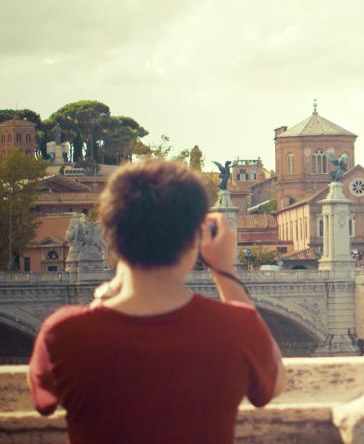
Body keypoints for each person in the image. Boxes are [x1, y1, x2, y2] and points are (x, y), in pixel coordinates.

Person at [28, 159, 287, 443]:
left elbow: (43, 401)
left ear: (109, 235)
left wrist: (101, 301)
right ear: (196, 238)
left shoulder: (63, 332)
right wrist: (224, 271)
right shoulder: (238, 327)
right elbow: (271, 387)